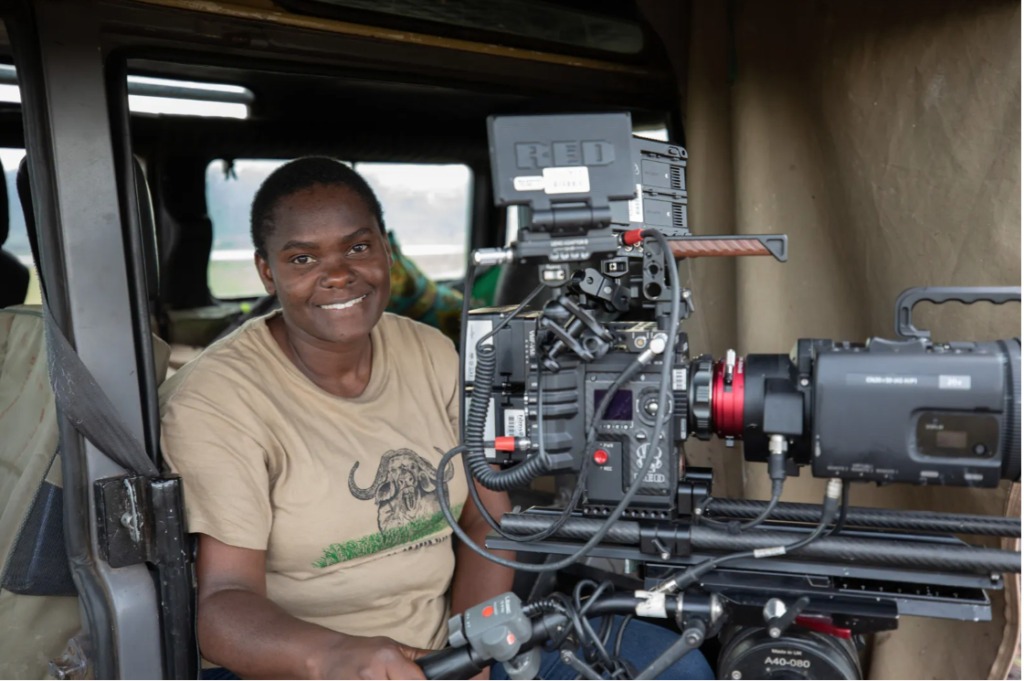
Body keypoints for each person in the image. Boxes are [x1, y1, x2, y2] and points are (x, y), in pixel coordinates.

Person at [161, 156, 714, 680]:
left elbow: (487, 522)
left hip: (449, 648)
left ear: (386, 249)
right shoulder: (217, 399)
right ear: (265, 271)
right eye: (302, 258)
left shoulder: (429, 351)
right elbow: (222, 606)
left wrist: (469, 655)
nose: (338, 275)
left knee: (672, 664)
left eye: (358, 247)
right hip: (311, 667)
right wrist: (335, 658)